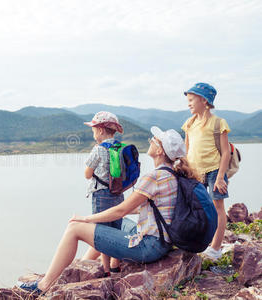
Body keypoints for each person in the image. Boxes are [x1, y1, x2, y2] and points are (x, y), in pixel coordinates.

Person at [19, 127, 198, 295]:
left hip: (148, 247)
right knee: (110, 226)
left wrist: (86, 219)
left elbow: (121, 210)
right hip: (160, 241)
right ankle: (81, 266)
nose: (150, 140)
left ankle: (43, 285)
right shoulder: (171, 174)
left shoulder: (154, 177)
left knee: (75, 228)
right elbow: (143, 209)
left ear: (160, 151)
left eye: (154, 140)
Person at [182, 82, 231, 261]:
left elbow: (225, 153)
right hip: (195, 173)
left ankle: (216, 249)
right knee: (198, 209)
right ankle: (200, 243)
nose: (188, 104)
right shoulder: (189, 123)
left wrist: (220, 177)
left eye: (191, 100)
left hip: (214, 171)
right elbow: (186, 151)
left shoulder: (218, 123)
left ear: (204, 100)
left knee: (218, 208)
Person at [82, 111, 125, 276]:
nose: (93, 133)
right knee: (115, 231)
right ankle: (115, 265)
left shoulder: (98, 150)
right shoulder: (121, 147)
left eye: (93, 129)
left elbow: (87, 174)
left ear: (100, 130)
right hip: (118, 195)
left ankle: (105, 270)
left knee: (102, 232)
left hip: (101, 196)